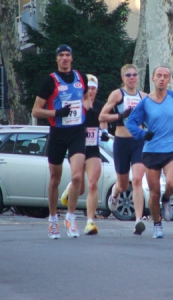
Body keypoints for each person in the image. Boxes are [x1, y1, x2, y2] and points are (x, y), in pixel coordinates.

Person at [32, 44, 91, 239]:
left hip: (76, 132)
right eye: (61, 55)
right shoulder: (50, 81)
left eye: (67, 55)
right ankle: (52, 219)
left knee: (76, 177)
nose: (64, 58)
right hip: (57, 133)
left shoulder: (80, 77)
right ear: (57, 59)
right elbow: (36, 111)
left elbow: (85, 99)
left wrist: (87, 109)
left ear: (72, 58)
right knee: (55, 180)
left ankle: (71, 217)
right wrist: (57, 112)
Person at [126, 66, 173, 238]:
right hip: (152, 151)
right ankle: (157, 224)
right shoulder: (145, 102)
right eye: (159, 76)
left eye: (165, 76)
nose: (162, 79)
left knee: (172, 184)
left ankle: (167, 199)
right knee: (154, 192)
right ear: (153, 79)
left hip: (172, 149)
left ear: (169, 79)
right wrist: (142, 134)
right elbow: (131, 122)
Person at [99, 64, 147, 235]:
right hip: (121, 142)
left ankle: (139, 220)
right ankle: (115, 193)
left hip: (139, 142)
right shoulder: (117, 94)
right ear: (123, 78)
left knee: (138, 180)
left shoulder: (144, 96)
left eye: (135, 74)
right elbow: (102, 116)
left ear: (138, 77)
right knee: (123, 183)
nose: (132, 77)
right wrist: (120, 116)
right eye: (128, 75)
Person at [61, 74, 109, 235]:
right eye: (88, 88)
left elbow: (103, 121)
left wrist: (104, 132)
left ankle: (90, 222)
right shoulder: (76, 105)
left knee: (93, 183)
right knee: (79, 188)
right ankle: (70, 190)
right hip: (76, 149)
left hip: (93, 149)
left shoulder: (101, 106)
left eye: (94, 89)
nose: (91, 91)